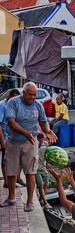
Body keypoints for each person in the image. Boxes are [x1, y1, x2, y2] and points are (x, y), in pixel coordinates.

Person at [0, 82, 57, 211]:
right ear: (23, 93)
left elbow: (43, 122)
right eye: (30, 94)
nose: (32, 97)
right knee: (11, 172)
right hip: (13, 141)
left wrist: (47, 130)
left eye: (34, 95)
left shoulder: (38, 105)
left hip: (30, 143)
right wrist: (25, 133)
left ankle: (30, 201)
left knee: (30, 172)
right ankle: (11, 197)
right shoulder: (13, 102)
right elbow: (11, 121)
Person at [0, 89, 22, 188]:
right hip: (5, 136)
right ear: (9, 96)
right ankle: (6, 182)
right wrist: (2, 141)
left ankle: (14, 179)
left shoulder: (14, 105)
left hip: (13, 137)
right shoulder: (2, 105)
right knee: (5, 160)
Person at [36, 133, 50, 208]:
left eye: (42, 141)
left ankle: (41, 198)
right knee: (40, 184)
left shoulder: (45, 144)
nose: (41, 142)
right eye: (39, 141)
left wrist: (48, 163)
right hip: (36, 168)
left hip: (43, 167)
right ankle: (45, 202)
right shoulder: (34, 145)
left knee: (46, 183)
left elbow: (47, 154)